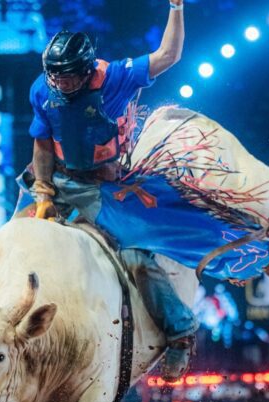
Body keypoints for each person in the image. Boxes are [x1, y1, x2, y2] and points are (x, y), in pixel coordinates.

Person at [25, 0, 194, 380]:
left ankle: (180, 332)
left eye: (67, 77)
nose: (59, 83)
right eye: (54, 76)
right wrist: (42, 193)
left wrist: (176, 7)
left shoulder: (117, 77)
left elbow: (168, 55)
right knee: (16, 238)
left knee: (135, 257)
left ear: (86, 72)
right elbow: (42, 143)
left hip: (106, 185)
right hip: (58, 181)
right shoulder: (41, 89)